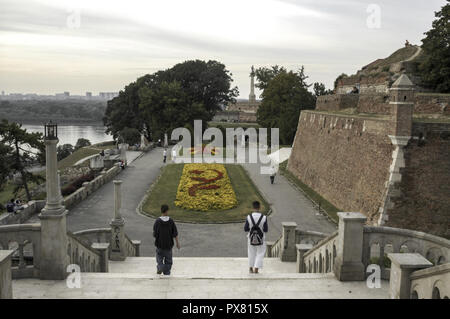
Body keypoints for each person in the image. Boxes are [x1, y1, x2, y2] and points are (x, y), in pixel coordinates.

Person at [153, 204, 180, 275]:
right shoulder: (171, 221)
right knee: (168, 261)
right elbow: (175, 233)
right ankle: (166, 273)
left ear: (161, 211)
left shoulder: (157, 221)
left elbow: (155, 234)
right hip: (168, 245)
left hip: (160, 245)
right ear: (167, 211)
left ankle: (160, 267)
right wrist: (177, 243)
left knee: (159, 258)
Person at [244, 201, 268, 274]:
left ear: (253, 207)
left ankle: (250, 268)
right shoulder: (264, 217)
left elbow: (246, 229)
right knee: (260, 253)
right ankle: (256, 268)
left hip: (250, 238)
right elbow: (265, 229)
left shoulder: (249, 217)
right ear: (259, 207)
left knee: (251, 253)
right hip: (261, 238)